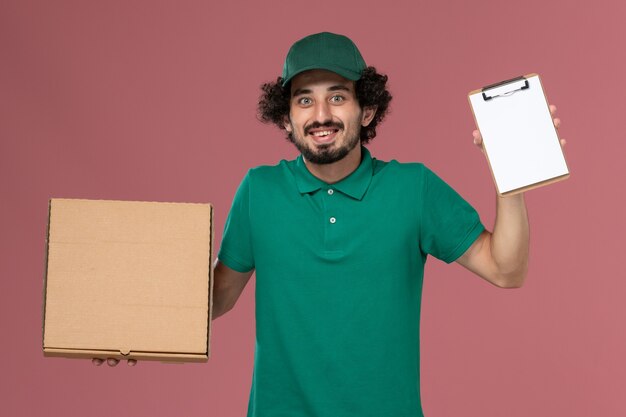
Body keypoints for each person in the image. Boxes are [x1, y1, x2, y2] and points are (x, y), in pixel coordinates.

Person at [99, 32, 566, 417]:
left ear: (367, 111)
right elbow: (218, 295)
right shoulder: (259, 191)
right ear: (286, 117)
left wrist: (513, 180)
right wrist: (133, 327)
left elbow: (507, 269)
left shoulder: (413, 188)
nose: (321, 116)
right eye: (305, 100)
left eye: (337, 97)